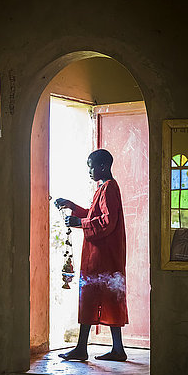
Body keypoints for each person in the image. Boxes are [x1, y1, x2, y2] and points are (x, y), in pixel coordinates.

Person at [54, 149, 128, 362]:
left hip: (101, 257)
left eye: (91, 166)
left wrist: (80, 223)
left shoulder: (109, 188)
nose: (89, 171)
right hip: (103, 255)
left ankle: (83, 348)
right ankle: (115, 349)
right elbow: (94, 215)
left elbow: (107, 222)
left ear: (103, 166)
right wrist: (72, 207)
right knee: (108, 298)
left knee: (92, 298)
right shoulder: (103, 188)